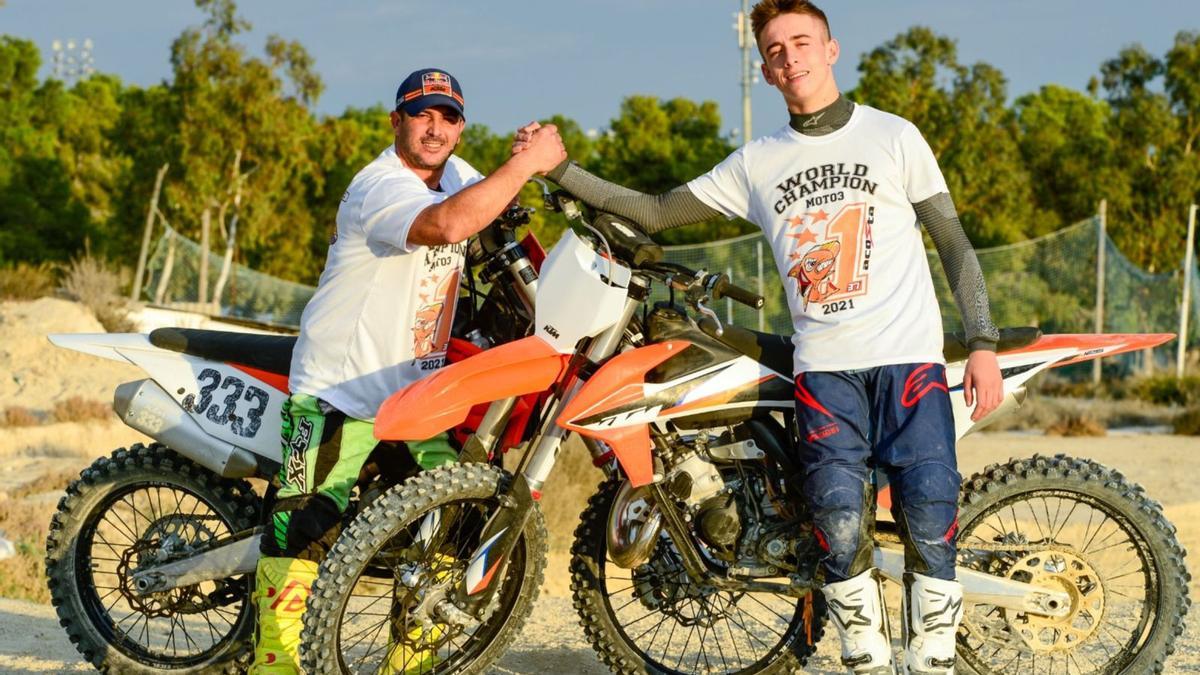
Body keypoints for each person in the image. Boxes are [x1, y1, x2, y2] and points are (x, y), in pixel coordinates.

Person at [515, 2, 1002, 672]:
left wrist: (982, 341)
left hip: (907, 360)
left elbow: (955, 245)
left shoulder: (894, 136)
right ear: (765, 71)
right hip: (825, 372)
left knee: (930, 517)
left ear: (831, 50)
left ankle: (933, 660)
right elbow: (656, 212)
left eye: (801, 42)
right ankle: (866, 657)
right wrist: (560, 167)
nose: (790, 57)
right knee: (835, 526)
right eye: (774, 50)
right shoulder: (757, 162)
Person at [251, 67, 566, 674]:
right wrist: (524, 166)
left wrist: (527, 154)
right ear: (396, 120)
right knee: (302, 525)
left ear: (460, 127)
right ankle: (275, 665)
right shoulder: (379, 185)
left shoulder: (457, 175)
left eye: (449, 117)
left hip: (417, 399)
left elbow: (494, 204)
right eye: (422, 114)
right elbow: (446, 225)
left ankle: (408, 664)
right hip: (339, 390)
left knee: (450, 519)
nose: (436, 127)